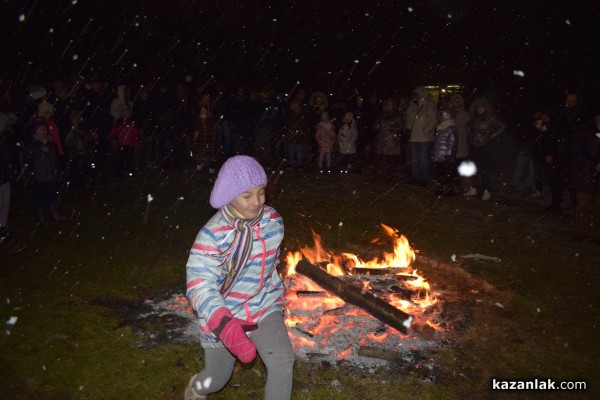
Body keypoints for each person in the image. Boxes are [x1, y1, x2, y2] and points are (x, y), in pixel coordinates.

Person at [184, 155, 294, 400]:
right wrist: (226, 326)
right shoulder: (212, 236)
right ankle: (198, 387)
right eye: (247, 195)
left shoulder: (273, 222)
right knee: (217, 378)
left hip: (263, 305)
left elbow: (270, 264)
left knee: (283, 361)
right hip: (224, 312)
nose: (257, 202)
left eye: (261, 192)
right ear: (228, 196)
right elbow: (199, 285)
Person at [464, 97, 506, 200]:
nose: (479, 108)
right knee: (473, 168)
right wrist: (470, 136)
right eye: (478, 107)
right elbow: (468, 127)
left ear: (486, 108)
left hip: (484, 146)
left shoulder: (490, 118)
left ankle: (487, 190)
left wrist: (493, 134)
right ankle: (473, 188)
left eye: (481, 107)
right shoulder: (474, 118)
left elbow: (502, 126)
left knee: (483, 169)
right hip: (474, 145)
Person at [569, 109, 600, 243]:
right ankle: (580, 233)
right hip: (586, 175)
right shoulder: (585, 132)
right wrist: (593, 165)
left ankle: (597, 235)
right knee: (582, 206)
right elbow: (576, 152)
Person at [23, 119, 62, 224]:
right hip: (39, 176)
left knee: (52, 195)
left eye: (44, 129)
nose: (43, 132)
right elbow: (28, 161)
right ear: (36, 131)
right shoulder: (32, 145)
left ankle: (54, 212)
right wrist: (30, 175)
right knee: (39, 196)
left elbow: (55, 160)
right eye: (40, 129)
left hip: (51, 175)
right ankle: (39, 215)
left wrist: (56, 172)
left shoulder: (51, 144)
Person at [405, 86, 437, 186]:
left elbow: (433, 119)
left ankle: (423, 178)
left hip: (424, 137)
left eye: (417, 94)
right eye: (415, 94)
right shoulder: (413, 106)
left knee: (423, 157)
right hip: (413, 136)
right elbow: (409, 119)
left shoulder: (429, 105)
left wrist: (426, 130)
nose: (416, 96)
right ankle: (416, 177)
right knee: (415, 158)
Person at [431, 108, 458, 196]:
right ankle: (440, 187)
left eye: (442, 116)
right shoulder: (440, 127)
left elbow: (452, 142)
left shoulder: (450, 128)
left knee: (447, 173)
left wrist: (449, 154)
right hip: (439, 155)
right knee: (440, 173)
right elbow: (437, 142)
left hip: (446, 156)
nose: (440, 118)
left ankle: (449, 189)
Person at [450, 94, 471, 193]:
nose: (457, 103)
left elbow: (469, 129)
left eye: (458, 101)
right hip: (450, 143)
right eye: (455, 101)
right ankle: (452, 183)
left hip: (461, 142)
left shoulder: (465, 114)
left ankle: (458, 184)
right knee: (451, 164)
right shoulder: (450, 113)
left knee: (459, 163)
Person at [281, 100, 311, 169]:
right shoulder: (291, 115)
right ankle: (290, 163)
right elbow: (287, 125)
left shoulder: (303, 115)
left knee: (299, 151)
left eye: (298, 106)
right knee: (291, 150)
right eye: (295, 106)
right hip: (292, 136)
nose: (296, 107)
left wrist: (304, 134)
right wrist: (287, 134)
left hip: (300, 136)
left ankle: (300, 164)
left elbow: (305, 126)